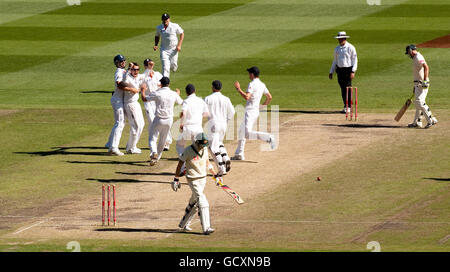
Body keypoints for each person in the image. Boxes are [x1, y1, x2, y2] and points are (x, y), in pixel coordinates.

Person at [172, 133, 220, 235]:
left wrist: (215, 175)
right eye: (201, 145)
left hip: (203, 178)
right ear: (197, 142)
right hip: (192, 179)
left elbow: (207, 162)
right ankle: (206, 228)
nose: (202, 147)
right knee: (203, 202)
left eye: (204, 145)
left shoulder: (205, 149)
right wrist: (176, 179)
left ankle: (184, 224)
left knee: (194, 202)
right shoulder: (188, 150)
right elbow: (180, 164)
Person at [232, 66, 276, 161]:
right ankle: (239, 154)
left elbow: (247, 97)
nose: (248, 75)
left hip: (250, 111)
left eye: (249, 73)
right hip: (255, 111)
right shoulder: (262, 84)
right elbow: (269, 97)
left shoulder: (251, 84)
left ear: (252, 74)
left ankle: (269, 137)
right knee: (241, 131)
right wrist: (262, 106)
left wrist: (238, 89)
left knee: (247, 134)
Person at [143, 77, 183, 166]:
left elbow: (144, 99)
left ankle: (154, 152)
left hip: (158, 119)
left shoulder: (157, 93)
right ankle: (157, 158)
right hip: (169, 120)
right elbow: (181, 103)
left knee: (152, 138)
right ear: (169, 84)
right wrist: (178, 94)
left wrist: (142, 90)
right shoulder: (173, 94)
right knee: (163, 139)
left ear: (161, 84)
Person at [105, 55, 139, 156]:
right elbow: (119, 84)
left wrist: (129, 68)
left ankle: (109, 144)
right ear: (116, 63)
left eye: (124, 60)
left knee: (119, 123)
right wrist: (131, 89)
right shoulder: (119, 71)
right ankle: (113, 148)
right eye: (121, 61)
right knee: (120, 123)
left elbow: (125, 77)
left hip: (119, 100)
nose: (123, 62)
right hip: (118, 100)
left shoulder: (123, 71)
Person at [204, 80, 235, 175]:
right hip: (223, 124)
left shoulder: (208, 98)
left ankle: (222, 169)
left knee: (213, 148)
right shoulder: (226, 99)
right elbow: (232, 112)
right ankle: (226, 158)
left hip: (213, 123)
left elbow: (203, 111)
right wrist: (226, 120)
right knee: (219, 143)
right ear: (220, 88)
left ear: (213, 87)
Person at [141, 58, 171, 151]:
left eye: (150, 64)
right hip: (148, 102)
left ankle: (166, 142)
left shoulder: (158, 74)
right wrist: (149, 69)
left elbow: (164, 83)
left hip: (158, 101)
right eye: (147, 65)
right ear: (145, 66)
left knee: (163, 119)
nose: (149, 66)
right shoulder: (143, 76)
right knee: (152, 121)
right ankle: (153, 142)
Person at [405, 44, 438, 128]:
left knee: (420, 102)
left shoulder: (419, 57)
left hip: (422, 84)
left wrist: (425, 80)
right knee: (418, 104)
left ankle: (431, 120)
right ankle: (417, 122)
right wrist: (415, 86)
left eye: (408, 53)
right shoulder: (415, 58)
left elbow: (426, 67)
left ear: (410, 51)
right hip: (417, 84)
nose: (408, 55)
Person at [176, 84, 209, 159]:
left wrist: (181, 124)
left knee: (180, 145)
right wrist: (199, 116)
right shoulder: (201, 100)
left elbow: (184, 113)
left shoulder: (186, 101)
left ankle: (183, 165)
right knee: (199, 147)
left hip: (187, 128)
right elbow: (207, 113)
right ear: (195, 91)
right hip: (198, 128)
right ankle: (201, 163)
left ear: (186, 92)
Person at [329, 31, 358, 113]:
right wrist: (331, 72)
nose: (339, 40)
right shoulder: (337, 49)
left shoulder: (350, 47)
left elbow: (355, 60)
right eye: (339, 39)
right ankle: (346, 106)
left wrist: (353, 71)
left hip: (348, 70)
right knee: (343, 89)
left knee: (348, 88)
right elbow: (335, 60)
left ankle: (349, 106)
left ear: (344, 38)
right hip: (340, 70)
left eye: (341, 39)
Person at [123, 62, 146, 154]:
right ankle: (131, 148)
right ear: (131, 70)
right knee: (135, 126)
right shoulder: (128, 77)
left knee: (142, 124)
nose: (136, 71)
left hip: (136, 103)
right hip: (130, 104)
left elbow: (144, 75)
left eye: (137, 69)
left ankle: (131, 145)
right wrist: (129, 68)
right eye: (134, 69)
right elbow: (124, 80)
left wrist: (150, 70)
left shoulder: (138, 77)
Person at [153, 13, 184, 78]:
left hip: (173, 49)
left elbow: (182, 33)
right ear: (162, 20)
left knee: (173, 65)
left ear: (169, 19)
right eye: (164, 19)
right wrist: (156, 45)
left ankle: (173, 67)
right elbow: (157, 36)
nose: (165, 21)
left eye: (166, 19)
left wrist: (179, 45)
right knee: (165, 67)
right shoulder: (159, 27)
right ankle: (165, 82)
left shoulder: (175, 26)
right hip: (164, 49)